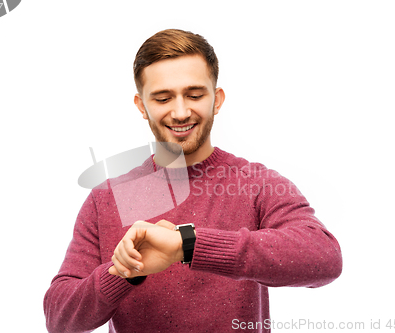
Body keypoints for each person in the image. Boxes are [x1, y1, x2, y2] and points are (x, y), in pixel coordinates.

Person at [43, 29, 342, 333]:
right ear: (141, 106)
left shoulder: (257, 183)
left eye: (195, 95)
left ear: (217, 99)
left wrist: (188, 245)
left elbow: (324, 257)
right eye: (162, 98)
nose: (181, 111)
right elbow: (59, 318)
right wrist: (122, 272)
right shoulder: (105, 199)